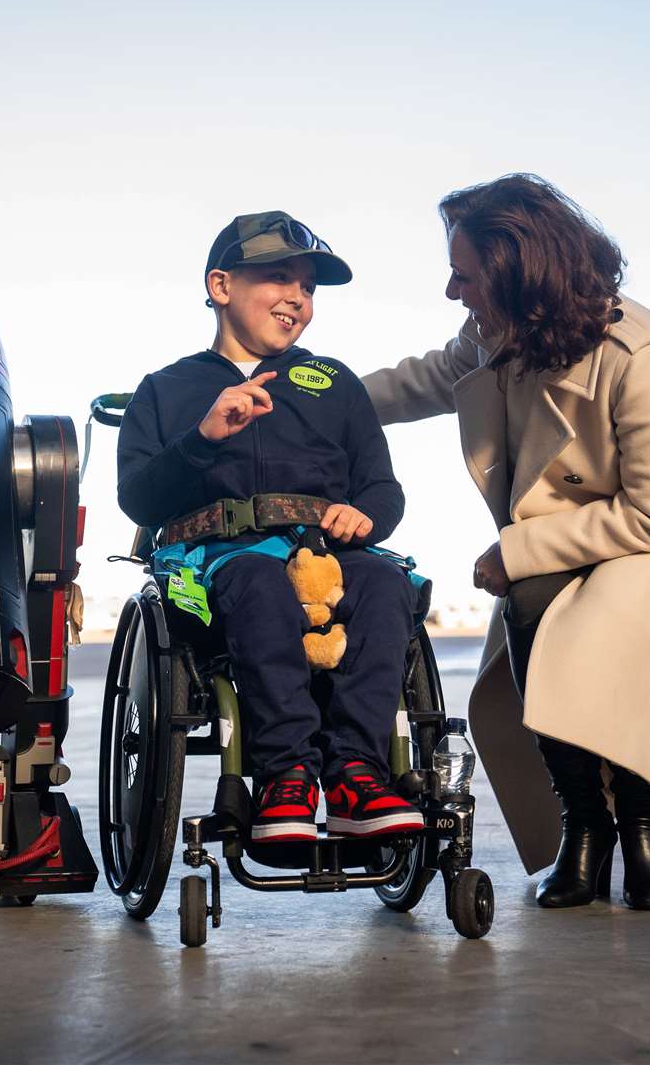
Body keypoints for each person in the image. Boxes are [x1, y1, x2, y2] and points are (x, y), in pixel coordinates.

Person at [363, 175, 650, 910]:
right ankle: (585, 825)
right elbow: (418, 381)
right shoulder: (497, 333)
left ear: (518, 273)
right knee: (535, 608)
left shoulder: (640, 352)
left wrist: (516, 549)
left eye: (465, 273)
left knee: (612, 631)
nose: (452, 289)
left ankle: (645, 826)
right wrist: (311, 399)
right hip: (581, 530)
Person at [116, 211, 424, 843]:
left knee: (383, 585)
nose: (298, 298)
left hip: (327, 554)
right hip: (217, 562)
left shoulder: (332, 382)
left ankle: (355, 776)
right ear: (222, 286)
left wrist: (367, 515)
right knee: (256, 581)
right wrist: (201, 439)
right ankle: (285, 775)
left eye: (308, 287)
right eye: (279, 278)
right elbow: (138, 500)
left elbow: (381, 487)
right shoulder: (166, 390)